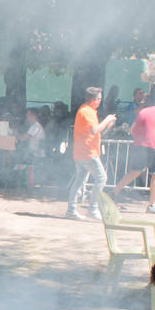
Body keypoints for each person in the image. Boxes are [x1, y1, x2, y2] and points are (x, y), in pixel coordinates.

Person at [111, 83, 155, 213]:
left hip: (138, 146)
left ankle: (113, 192)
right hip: (152, 146)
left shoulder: (142, 112)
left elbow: (132, 130)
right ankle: (152, 205)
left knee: (135, 171)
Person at [66, 86, 117, 219]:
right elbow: (94, 130)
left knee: (79, 181)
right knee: (101, 178)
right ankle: (92, 208)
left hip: (83, 152)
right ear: (94, 100)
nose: (100, 101)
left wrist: (107, 124)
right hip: (87, 152)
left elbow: (95, 131)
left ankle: (71, 210)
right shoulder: (86, 112)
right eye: (100, 98)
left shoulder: (88, 111)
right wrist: (107, 120)